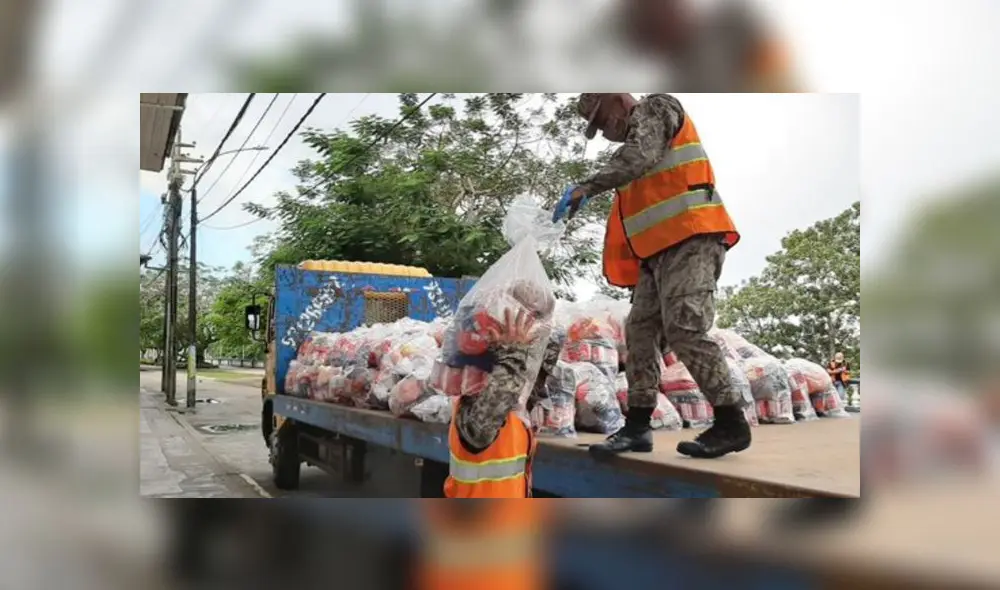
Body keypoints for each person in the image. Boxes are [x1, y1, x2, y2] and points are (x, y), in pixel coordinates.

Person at [553, 93, 749, 460]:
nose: (606, 131)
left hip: (692, 238)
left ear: (618, 100)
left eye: (603, 119)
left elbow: (640, 156)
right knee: (639, 332)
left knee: (685, 328)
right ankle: (638, 428)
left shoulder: (657, 109)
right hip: (656, 255)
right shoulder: (629, 156)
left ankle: (731, 421)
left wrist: (586, 187)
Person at [445, 308, 551, 498]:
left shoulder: (513, 404)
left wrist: (542, 328)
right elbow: (482, 428)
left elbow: (535, 376)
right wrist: (512, 353)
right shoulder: (473, 401)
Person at [614, 0, 800, 93]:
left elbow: (780, 75)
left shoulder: (733, 21)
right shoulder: (680, 86)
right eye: (650, 28)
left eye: (661, 11)